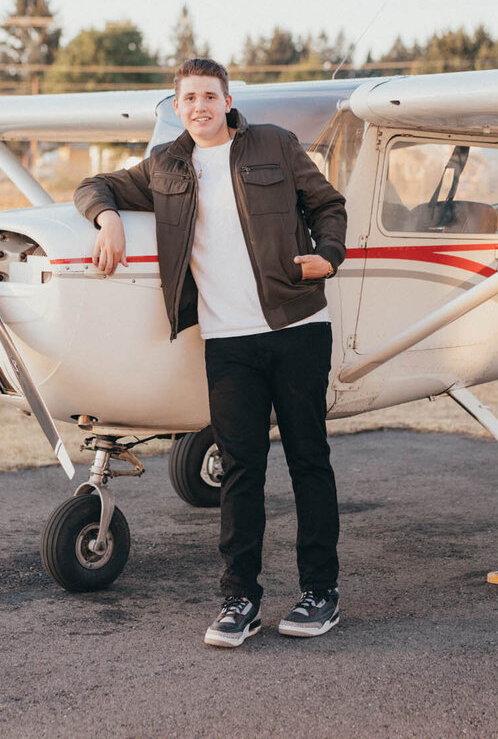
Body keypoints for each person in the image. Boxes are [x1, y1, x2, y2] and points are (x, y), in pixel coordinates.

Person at [74, 58, 348, 648]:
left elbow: (328, 205)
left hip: (298, 325)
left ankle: (319, 593)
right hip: (226, 340)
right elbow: (92, 186)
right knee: (241, 470)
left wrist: (329, 253)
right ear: (177, 107)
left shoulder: (275, 144)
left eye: (209, 96)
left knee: (308, 460)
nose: (199, 106)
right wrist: (108, 220)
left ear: (228, 101)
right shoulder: (166, 165)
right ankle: (239, 600)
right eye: (188, 98)